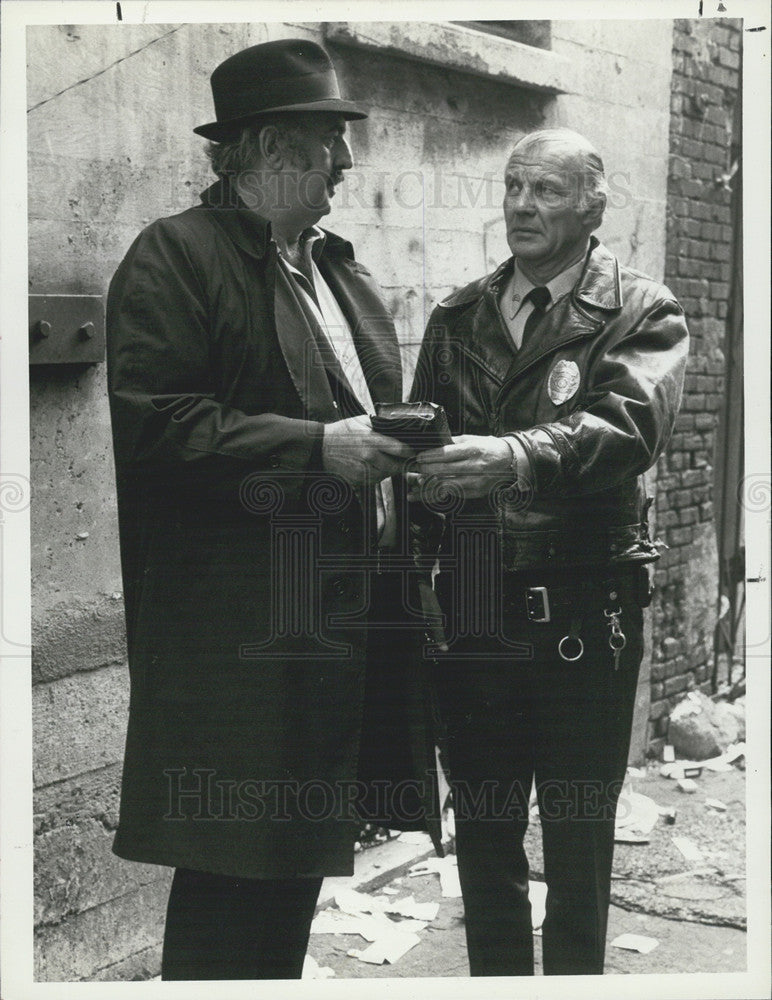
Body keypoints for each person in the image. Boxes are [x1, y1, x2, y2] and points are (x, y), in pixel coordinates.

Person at [106, 39, 440, 981]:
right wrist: (315, 449)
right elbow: (158, 426)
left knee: (291, 872)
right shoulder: (175, 256)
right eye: (329, 138)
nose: (345, 162)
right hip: (235, 639)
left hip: (326, 627)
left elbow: (359, 404)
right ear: (264, 149)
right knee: (228, 879)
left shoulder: (332, 267)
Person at [409, 127, 689, 976]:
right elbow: (425, 452)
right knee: (485, 838)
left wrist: (516, 453)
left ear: (593, 205)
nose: (523, 207)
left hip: (582, 614)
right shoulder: (458, 317)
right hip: (477, 614)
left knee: (576, 842)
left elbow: (628, 426)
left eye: (548, 191)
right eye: (514, 187)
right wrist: (418, 570)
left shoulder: (642, 311)